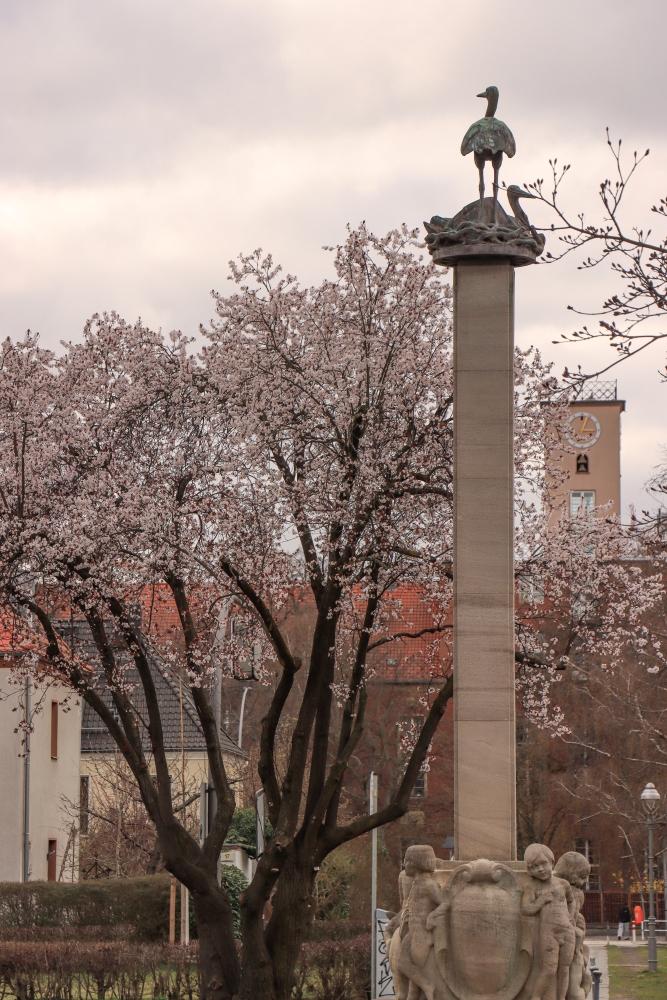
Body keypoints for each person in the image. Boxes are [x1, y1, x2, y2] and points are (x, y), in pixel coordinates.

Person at [522, 844, 576, 1000]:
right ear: (530, 870)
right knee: (549, 968)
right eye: (535, 866)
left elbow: (571, 901)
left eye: (544, 864)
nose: (540, 869)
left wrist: (571, 915)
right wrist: (541, 900)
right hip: (549, 932)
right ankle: (536, 997)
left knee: (565, 968)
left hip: (567, 931)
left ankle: (561, 998)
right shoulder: (532, 886)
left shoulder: (563, 884)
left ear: (552, 863)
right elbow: (526, 909)